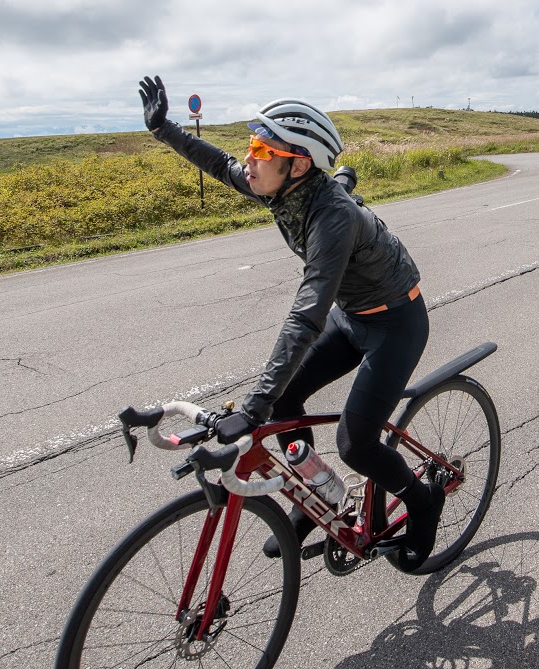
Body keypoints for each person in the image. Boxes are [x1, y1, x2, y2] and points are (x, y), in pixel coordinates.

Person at [137, 75, 443, 571]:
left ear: (298, 164)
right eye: (253, 145)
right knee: (287, 401)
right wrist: (163, 129)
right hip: (353, 317)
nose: (250, 158)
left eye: (262, 148)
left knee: (355, 443)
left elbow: (307, 312)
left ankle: (422, 499)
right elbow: (219, 164)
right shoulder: (280, 186)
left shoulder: (333, 218)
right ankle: (315, 500)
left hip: (396, 324)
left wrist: (253, 406)